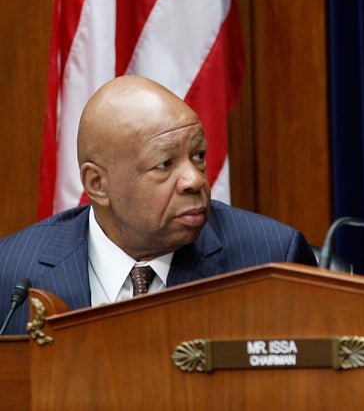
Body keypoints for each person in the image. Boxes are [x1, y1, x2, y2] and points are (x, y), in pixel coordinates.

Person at [0, 75, 316, 335]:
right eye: (165, 164)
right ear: (97, 184)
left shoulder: (270, 259)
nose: (194, 180)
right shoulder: (12, 271)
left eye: (198, 156)